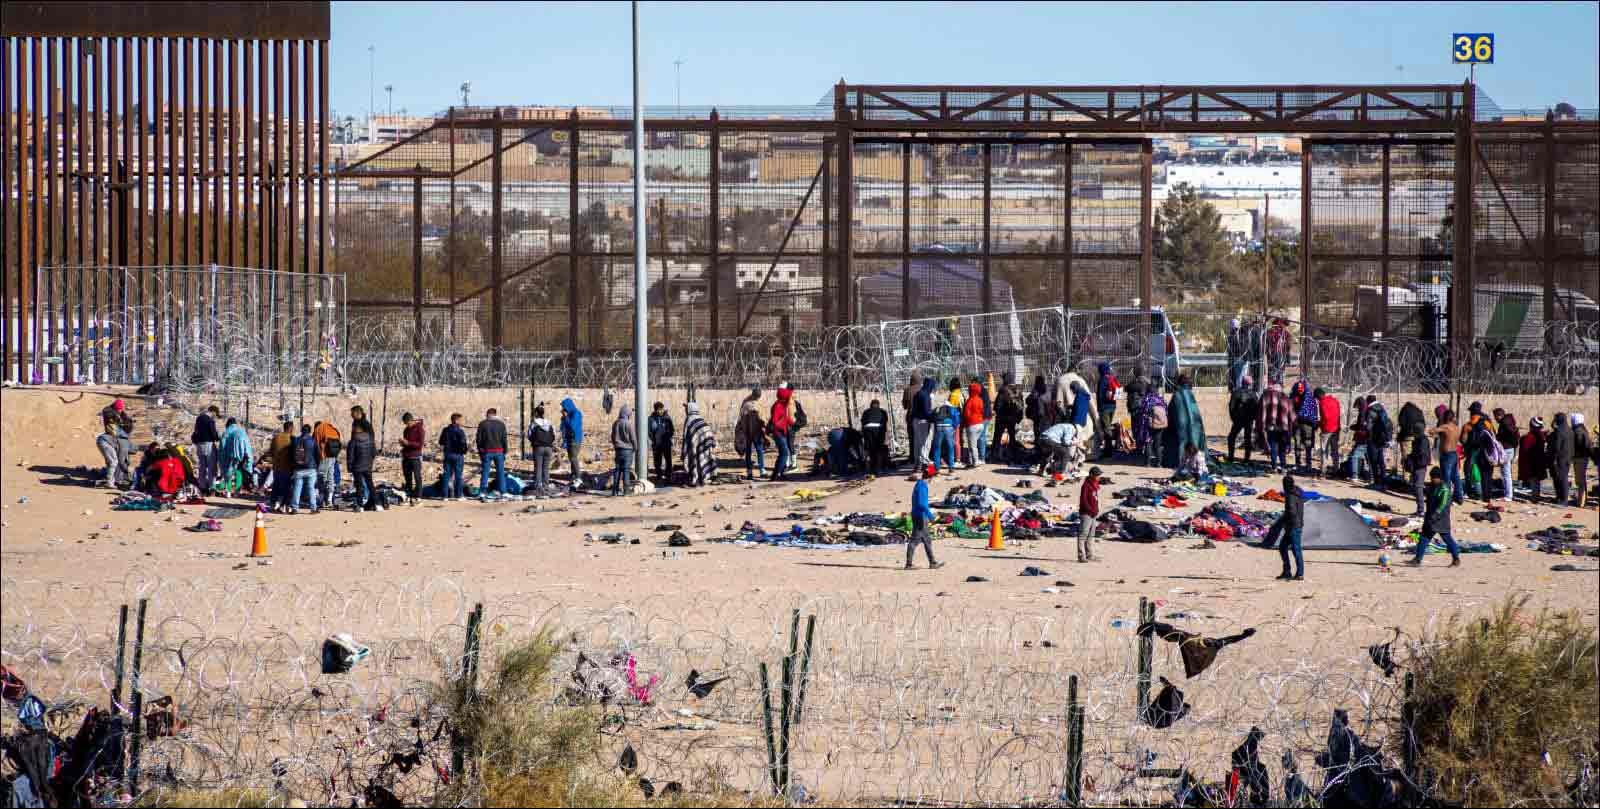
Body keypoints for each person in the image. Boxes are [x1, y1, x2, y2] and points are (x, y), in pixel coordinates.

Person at [1407, 467, 1461, 568]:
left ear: (1439, 478)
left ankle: (1456, 558)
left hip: (1441, 519)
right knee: (1424, 538)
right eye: (1431, 477)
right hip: (1430, 517)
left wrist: (1435, 515)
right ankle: (1418, 559)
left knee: (1447, 539)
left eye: (1434, 478)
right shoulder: (1433, 487)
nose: (1432, 479)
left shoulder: (1444, 489)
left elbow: (1442, 505)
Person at [1162, 374, 1204, 470]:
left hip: (1179, 428)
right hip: (1194, 428)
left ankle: (1180, 461)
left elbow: (1171, 412)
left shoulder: (1177, 395)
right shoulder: (1190, 394)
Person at [905, 465, 943, 571]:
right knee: (914, 540)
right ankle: (909, 564)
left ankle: (932, 562)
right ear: (930, 477)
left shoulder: (919, 484)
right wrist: (930, 516)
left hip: (918, 515)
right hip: (920, 516)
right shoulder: (922, 486)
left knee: (927, 539)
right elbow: (922, 504)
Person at [98, 399, 134, 489]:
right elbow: (123, 461)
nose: (120, 411)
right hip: (105, 441)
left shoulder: (124, 438)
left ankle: (110, 480)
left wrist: (127, 422)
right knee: (114, 462)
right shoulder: (109, 411)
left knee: (111, 462)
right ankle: (110, 482)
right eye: (119, 409)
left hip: (106, 440)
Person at [1258, 382, 1293, 472]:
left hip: (1271, 426)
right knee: (1282, 447)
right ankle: (1283, 466)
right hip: (1283, 427)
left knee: (1273, 446)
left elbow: (1262, 414)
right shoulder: (1286, 398)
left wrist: (1262, 427)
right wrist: (1291, 428)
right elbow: (1291, 416)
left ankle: (1274, 466)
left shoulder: (1266, 397)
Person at [1276, 474, 1305, 581]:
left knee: (1295, 549)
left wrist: (1286, 523)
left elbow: (1291, 511)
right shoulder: (1298, 492)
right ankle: (1288, 571)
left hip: (1293, 526)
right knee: (1284, 547)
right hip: (1297, 524)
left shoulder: (1290, 495)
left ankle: (1299, 573)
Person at [681, 402, 717, 487]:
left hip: (699, 443)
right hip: (706, 442)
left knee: (696, 460)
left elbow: (687, 435)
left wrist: (686, 447)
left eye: (686, 408)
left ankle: (696, 479)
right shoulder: (700, 418)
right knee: (703, 459)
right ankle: (704, 478)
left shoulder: (689, 419)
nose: (685, 410)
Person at [347, 418, 379, 512]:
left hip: (357, 467)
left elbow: (350, 456)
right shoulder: (370, 439)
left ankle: (360, 506)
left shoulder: (353, 441)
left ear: (355, 429)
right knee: (371, 485)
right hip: (368, 466)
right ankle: (378, 504)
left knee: (359, 486)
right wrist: (370, 462)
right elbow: (373, 453)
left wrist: (350, 467)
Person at [476, 407, 508, 499]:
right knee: (501, 472)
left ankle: (483, 491)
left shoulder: (482, 424)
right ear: (495, 414)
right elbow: (504, 439)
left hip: (487, 451)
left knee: (485, 472)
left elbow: (479, 439)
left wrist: (480, 450)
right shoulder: (501, 425)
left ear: (488, 414)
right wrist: (505, 451)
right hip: (499, 451)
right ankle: (503, 491)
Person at [289, 423, 321, 514]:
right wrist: (316, 466)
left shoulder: (295, 440)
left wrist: (293, 465)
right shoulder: (313, 441)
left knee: (297, 488)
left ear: (301, 431)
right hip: (311, 468)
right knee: (311, 488)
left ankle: (295, 508)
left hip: (298, 468)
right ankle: (313, 508)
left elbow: (291, 455)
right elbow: (318, 455)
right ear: (310, 431)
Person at [1433, 409, 1463, 505]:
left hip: (1447, 455)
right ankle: (1459, 498)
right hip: (1454, 453)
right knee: (1456, 477)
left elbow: (1432, 431)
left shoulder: (1445, 427)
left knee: (1446, 478)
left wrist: (1437, 432)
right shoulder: (1456, 427)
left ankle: (1447, 499)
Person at [218, 417, 254, 496]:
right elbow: (247, 446)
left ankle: (228, 491)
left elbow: (222, 448)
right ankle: (237, 491)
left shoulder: (226, 432)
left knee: (229, 471)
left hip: (230, 455)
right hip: (242, 454)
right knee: (239, 472)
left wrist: (221, 460)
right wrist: (249, 458)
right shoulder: (242, 431)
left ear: (228, 424)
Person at [190, 405, 222, 494]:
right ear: (213, 411)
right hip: (209, 445)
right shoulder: (210, 420)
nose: (215, 416)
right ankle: (212, 487)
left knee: (202, 467)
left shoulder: (199, 418)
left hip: (199, 445)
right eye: (215, 414)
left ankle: (202, 487)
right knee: (212, 467)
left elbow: (195, 432)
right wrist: (218, 438)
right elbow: (213, 434)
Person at [1138, 383, 1170, 468]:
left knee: (1148, 442)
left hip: (1148, 424)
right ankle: (1159, 463)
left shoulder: (1146, 399)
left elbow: (1141, 411)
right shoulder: (1161, 399)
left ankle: (1148, 463)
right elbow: (1166, 411)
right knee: (1158, 444)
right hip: (1160, 425)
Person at [1363, 399, 1392, 492]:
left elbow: (1368, 427)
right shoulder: (1382, 408)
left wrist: (1364, 428)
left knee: (1374, 462)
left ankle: (1376, 483)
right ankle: (1384, 482)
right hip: (1382, 438)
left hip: (1373, 439)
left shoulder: (1371, 410)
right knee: (1381, 461)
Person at [313, 419, 343, 508]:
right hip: (333, 457)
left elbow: (315, 445)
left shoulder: (319, 430)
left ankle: (321, 500)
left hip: (324, 457)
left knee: (322, 477)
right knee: (331, 478)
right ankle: (329, 500)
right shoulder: (331, 428)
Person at [1226, 381, 1258, 465]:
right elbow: (1256, 407)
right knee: (1247, 439)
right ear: (1250, 384)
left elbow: (1231, 407)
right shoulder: (1253, 394)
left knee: (1231, 437)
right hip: (1248, 420)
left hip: (1239, 419)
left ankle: (1231, 457)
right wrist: (1253, 419)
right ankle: (1247, 458)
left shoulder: (1237, 392)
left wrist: (1233, 418)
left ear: (1242, 383)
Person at [1405, 419, 1433, 516]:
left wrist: (1411, 458)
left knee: (1418, 487)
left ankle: (1421, 510)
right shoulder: (1419, 439)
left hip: (1420, 466)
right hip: (1418, 465)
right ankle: (1420, 509)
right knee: (1416, 487)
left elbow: (1421, 454)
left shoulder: (1422, 441)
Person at [1519, 417, 1550, 503]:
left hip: (1532, 462)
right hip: (1540, 461)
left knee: (1534, 480)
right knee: (1537, 480)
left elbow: (1525, 451)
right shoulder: (1542, 436)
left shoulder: (1528, 438)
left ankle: (1534, 497)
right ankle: (1536, 496)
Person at [527, 406, 557, 494]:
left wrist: (534, 441)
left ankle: (538, 486)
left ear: (536, 413)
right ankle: (546, 485)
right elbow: (554, 435)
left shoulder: (534, 423)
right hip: (549, 447)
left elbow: (529, 435)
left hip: (538, 447)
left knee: (538, 467)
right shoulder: (549, 423)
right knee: (546, 467)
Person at [734, 400, 768, 480]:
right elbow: (762, 422)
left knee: (749, 453)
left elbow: (741, 423)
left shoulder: (745, 408)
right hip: (756, 434)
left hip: (748, 434)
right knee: (759, 451)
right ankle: (762, 470)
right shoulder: (757, 407)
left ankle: (749, 472)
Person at [268, 421, 297, 512]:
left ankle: (273, 503)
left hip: (276, 466)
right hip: (287, 467)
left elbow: (271, 452)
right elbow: (294, 454)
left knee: (276, 485)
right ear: (291, 428)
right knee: (286, 487)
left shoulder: (276, 437)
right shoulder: (292, 439)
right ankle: (283, 505)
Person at [910, 376, 937, 469]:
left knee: (917, 442)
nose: (933, 389)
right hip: (923, 421)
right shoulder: (925, 395)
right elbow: (926, 412)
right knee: (924, 443)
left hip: (915, 420)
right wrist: (933, 416)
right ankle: (923, 463)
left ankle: (917, 462)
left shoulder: (918, 393)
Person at [440, 413, 469, 500]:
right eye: (460, 420)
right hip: (457, 456)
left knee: (446, 475)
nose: (462, 422)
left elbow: (441, 442)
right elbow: (463, 444)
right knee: (458, 476)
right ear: (456, 421)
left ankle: (444, 496)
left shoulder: (445, 430)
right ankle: (459, 495)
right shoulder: (460, 431)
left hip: (447, 455)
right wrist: (464, 451)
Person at [770, 387, 797, 481]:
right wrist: (782, 424)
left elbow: (785, 418)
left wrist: (793, 422)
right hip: (778, 433)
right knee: (784, 453)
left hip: (782, 432)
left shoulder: (783, 404)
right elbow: (775, 421)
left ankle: (779, 473)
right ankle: (777, 474)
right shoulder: (778, 406)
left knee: (783, 453)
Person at [1291, 380, 1319, 471]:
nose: (1300, 391)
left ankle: (1308, 464)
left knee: (1308, 444)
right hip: (1297, 423)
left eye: (1301, 389)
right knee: (1297, 443)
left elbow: (1313, 412)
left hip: (1307, 424)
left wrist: (1314, 423)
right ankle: (1298, 463)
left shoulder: (1309, 398)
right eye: (1298, 389)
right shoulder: (1293, 396)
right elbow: (1290, 409)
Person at [1096, 361, 1121, 459]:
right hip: (1112, 406)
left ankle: (1108, 451)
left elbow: (1100, 395)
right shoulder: (1112, 378)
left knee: (1106, 429)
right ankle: (1111, 447)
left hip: (1104, 408)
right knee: (1108, 427)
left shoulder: (1102, 380)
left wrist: (1099, 407)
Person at [1549, 413, 1575, 506]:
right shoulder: (1569, 430)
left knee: (1562, 479)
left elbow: (1557, 446)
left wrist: (1554, 459)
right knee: (1562, 478)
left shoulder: (1559, 431)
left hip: (1560, 458)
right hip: (1568, 457)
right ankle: (1560, 498)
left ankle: (1563, 500)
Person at [1494, 408, 1520, 503]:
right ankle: (1508, 493)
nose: (1495, 419)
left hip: (1507, 449)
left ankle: (1508, 495)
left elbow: (1510, 433)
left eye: (1496, 417)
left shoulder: (1505, 423)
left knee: (1506, 473)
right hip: (1510, 449)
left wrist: (1500, 438)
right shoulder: (1509, 421)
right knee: (1506, 472)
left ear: (1499, 415)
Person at [610, 405, 636, 496]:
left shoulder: (616, 423)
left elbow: (612, 437)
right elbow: (633, 438)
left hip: (618, 450)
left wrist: (615, 445)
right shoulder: (629, 424)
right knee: (626, 470)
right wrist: (635, 448)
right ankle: (626, 491)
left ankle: (615, 491)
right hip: (628, 450)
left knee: (617, 470)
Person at [1078, 465, 1102, 563]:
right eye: (1097, 475)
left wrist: (1096, 511)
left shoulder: (1095, 485)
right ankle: (1081, 556)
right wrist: (1090, 511)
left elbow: (1094, 499)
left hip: (1093, 513)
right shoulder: (1086, 485)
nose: (1098, 477)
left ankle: (1089, 555)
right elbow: (1083, 501)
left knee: (1091, 535)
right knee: (1083, 534)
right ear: (1091, 475)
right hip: (1086, 513)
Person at [932, 390, 959, 475]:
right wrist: (954, 427)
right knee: (950, 447)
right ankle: (951, 468)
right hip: (949, 427)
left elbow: (933, 417)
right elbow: (956, 418)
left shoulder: (937, 406)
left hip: (939, 427)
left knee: (937, 448)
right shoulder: (950, 406)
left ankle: (936, 469)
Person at [399, 413, 425, 501]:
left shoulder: (419, 429)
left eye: (407, 423)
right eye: (405, 423)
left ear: (411, 420)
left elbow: (420, 445)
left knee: (417, 477)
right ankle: (409, 494)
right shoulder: (406, 429)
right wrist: (402, 443)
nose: (406, 425)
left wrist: (408, 443)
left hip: (416, 457)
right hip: (406, 457)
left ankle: (419, 496)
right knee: (407, 477)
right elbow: (406, 443)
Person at [1315, 389, 1341, 478]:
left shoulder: (1322, 403)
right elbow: (1338, 415)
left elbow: (1325, 416)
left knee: (1324, 450)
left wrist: (1319, 424)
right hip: (1336, 428)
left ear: (1318, 396)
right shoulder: (1335, 400)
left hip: (1327, 429)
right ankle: (1336, 469)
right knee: (1335, 450)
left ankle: (1323, 471)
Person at [647, 402, 675, 484]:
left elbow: (672, 429)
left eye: (661, 409)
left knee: (668, 460)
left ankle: (668, 475)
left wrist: (668, 436)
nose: (660, 411)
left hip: (666, 443)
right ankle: (658, 476)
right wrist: (654, 439)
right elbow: (649, 431)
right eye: (658, 410)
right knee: (657, 461)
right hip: (656, 444)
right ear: (655, 410)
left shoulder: (667, 418)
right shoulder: (651, 419)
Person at [861, 398, 890, 475]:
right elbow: (885, 424)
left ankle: (868, 468)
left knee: (869, 449)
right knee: (879, 450)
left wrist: (864, 435)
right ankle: (878, 468)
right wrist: (886, 435)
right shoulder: (882, 411)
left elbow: (863, 424)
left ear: (871, 405)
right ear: (878, 405)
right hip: (879, 430)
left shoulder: (866, 412)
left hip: (867, 430)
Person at [560, 398, 584, 490]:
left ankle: (578, 477)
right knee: (571, 458)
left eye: (564, 407)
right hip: (569, 439)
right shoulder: (567, 415)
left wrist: (566, 417)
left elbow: (573, 426)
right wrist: (563, 418)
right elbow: (563, 427)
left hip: (575, 439)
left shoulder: (576, 413)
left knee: (574, 458)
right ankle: (573, 477)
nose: (563, 409)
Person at [962, 381, 986, 469]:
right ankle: (972, 461)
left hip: (972, 425)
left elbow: (966, 414)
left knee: (972, 445)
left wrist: (964, 422)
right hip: (980, 424)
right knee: (974, 444)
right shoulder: (980, 400)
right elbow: (982, 411)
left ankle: (975, 461)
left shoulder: (970, 400)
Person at [902, 371, 925, 464]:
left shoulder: (907, 390)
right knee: (922, 438)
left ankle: (912, 457)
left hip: (911, 416)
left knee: (912, 438)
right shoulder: (922, 389)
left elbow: (905, 406)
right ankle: (922, 456)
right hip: (921, 416)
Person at [1572, 413, 1592, 508]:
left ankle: (1581, 502)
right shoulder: (1582, 430)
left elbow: (1586, 446)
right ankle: (1583, 500)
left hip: (1580, 458)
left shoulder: (1578, 431)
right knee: (1581, 480)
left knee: (1580, 481)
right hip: (1582, 458)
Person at [1264, 318, 1290, 385]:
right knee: (1279, 370)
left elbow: (1266, 343)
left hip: (1273, 353)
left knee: (1273, 370)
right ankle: (1279, 384)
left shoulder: (1270, 332)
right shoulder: (1284, 332)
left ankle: (1272, 383)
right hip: (1279, 354)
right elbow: (1288, 345)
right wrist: (1288, 357)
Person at [1226, 318, 1247, 391]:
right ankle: (1239, 390)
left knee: (1243, 376)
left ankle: (1242, 389)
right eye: (1234, 329)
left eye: (1236, 328)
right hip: (1236, 358)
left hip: (1243, 359)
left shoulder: (1244, 335)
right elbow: (1231, 350)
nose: (1235, 330)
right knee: (1239, 377)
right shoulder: (1230, 337)